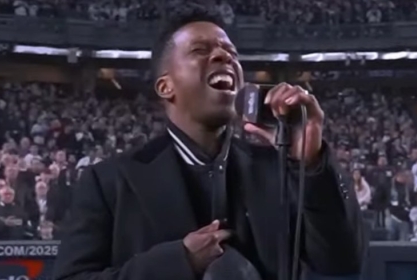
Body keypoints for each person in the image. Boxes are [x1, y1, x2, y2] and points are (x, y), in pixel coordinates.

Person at [53, 6, 365, 280]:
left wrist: (311, 163)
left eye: (231, 52)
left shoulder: (280, 167)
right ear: (165, 87)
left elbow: (343, 260)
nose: (223, 56)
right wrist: (179, 261)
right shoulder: (109, 182)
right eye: (200, 50)